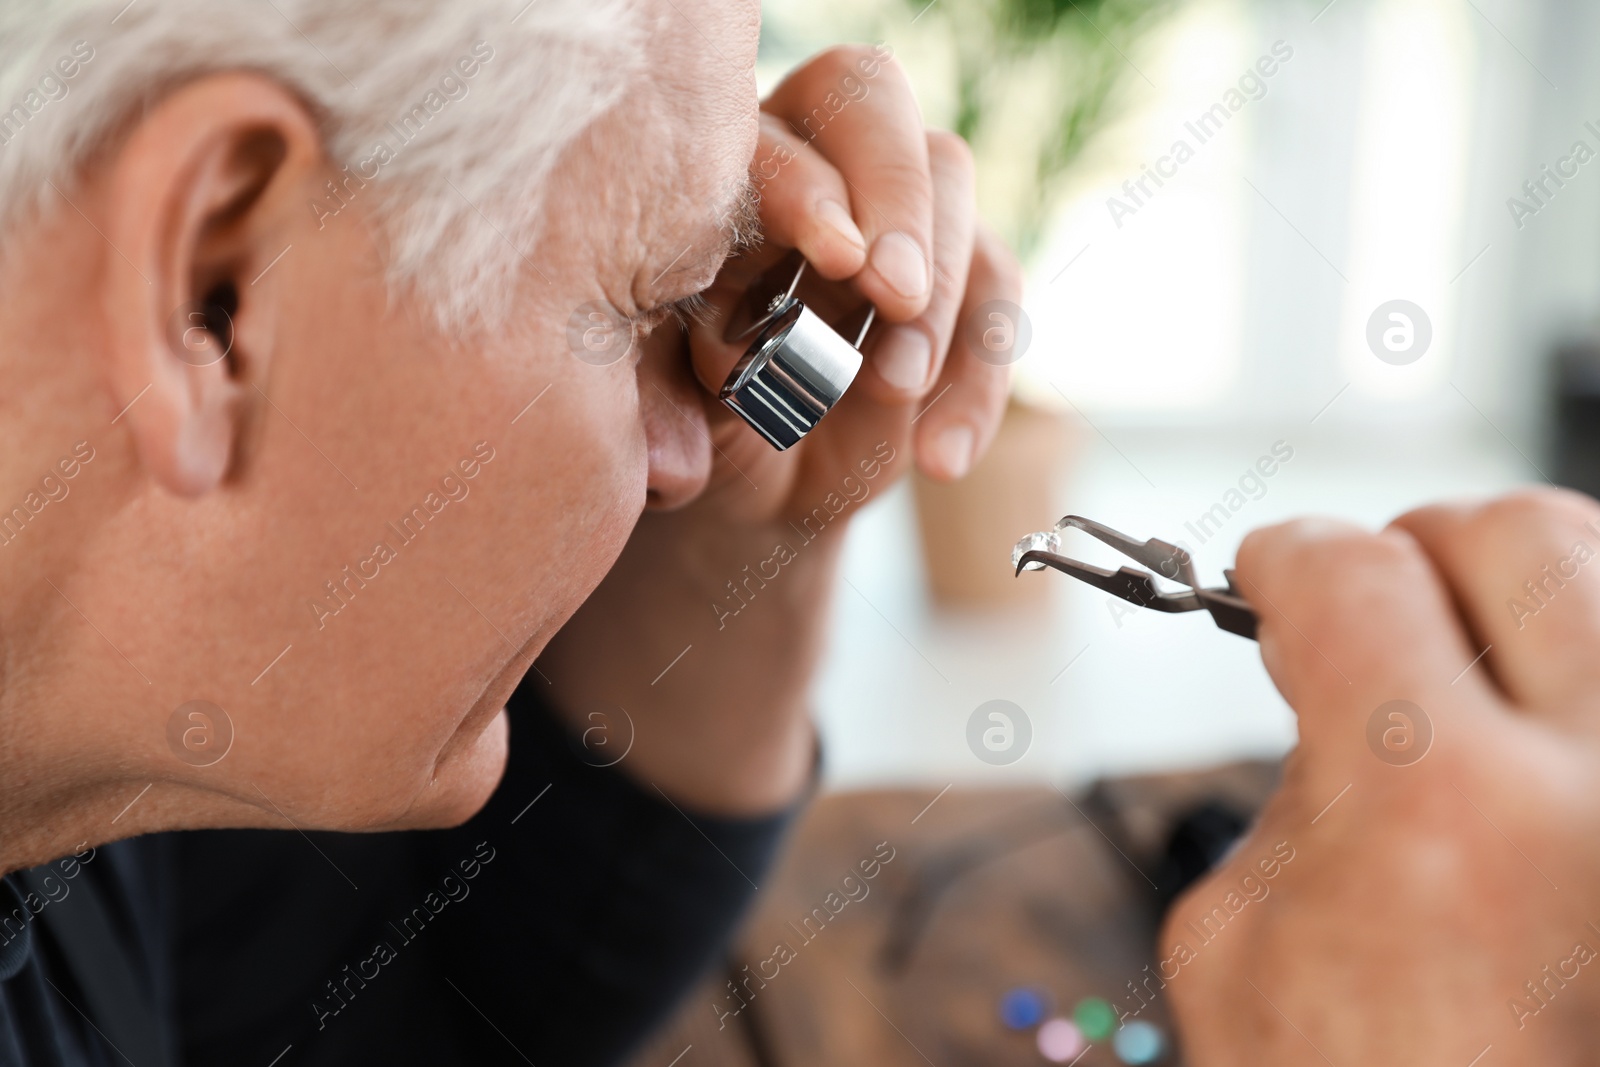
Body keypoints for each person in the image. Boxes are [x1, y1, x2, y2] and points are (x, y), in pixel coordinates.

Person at [0, 1, 1595, 1065]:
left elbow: (403, 1013)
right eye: (642, 298)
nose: (689, 442)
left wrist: (749, 547)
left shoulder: (103, 803)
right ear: (214, 293)